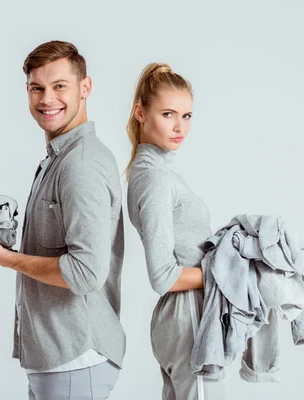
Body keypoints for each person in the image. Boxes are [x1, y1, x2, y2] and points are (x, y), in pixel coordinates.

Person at [0, 40, 125, 400]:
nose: (47, 99)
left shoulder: (80, 165)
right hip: (59, 357)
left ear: (85, 88)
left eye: (59, 86)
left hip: (75, 356)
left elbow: (86, 272)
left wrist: (2, 258)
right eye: (37, 88)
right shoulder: (60, 158)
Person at [125, 63, 225, 400]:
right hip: (187, 316)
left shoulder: (152, 172)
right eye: (168, 114)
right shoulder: (155, 180)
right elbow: (163, 276)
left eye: (187, 116)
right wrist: (227, 274)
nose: (180, 126)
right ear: (141, 112)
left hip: (183, 316)